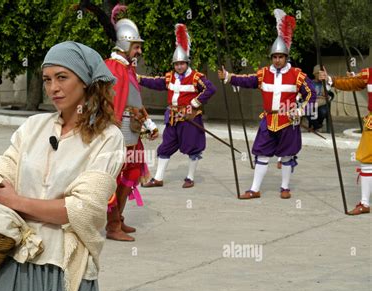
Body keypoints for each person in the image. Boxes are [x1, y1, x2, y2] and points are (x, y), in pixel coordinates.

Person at [0, 41, 125, 291]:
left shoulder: (107, 138)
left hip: (63, 267)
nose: (52, 88)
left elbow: (79, 211)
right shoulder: (33, 128)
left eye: (62, 77)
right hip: (14, 262)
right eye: (47, 80)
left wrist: (15, 201)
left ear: (85, 81)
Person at [218, 9, 316, 199]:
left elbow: (311, 94)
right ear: (271, 57)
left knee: (287, 155)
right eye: (274, 57)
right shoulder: (264, 73)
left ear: (286, 57)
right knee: (261, 154)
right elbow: (248, 80)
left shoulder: (297, 74)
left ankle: (285, 187)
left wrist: (301, 110)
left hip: (288, 120)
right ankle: (255, 189)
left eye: (280, 56)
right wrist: (229, 77)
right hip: (269, 119)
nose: (277, 60)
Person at [104, 7, 159, 242]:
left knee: (133, 172)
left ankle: (119, 217)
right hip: (118, 131)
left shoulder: (127, 68)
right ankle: (112, 224)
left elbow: (134, 100)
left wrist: (148, 122)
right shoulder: (113, 66)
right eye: (136, 46)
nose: (139, 50)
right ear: (125, 44)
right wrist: (111, 130)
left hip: (132, 130)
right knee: (113, 178)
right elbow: (113, 104)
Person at [139, 24, 216, 189]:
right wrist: (139, 79)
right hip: (173, 118)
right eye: (176, 64)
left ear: (187, 63)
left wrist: (195, 103)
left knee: (193, 148)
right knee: (165, 147)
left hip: (190, 119)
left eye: (182, 63)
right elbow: (156, 82)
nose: (179, 66)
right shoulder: (169, 77)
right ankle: (158, 178)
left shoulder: (196, 77)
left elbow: (210, 89)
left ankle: (190, 177)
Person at [319, 66, 372, 215]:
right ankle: (365, 203)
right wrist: (330, 79)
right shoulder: (370, 73)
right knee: (367, 161)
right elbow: (351, 83)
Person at [306, 64, 333, 132]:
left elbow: (327, 94)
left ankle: (317, 125)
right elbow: (308, 94)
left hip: (322, 103)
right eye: (318, 73)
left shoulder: (324, 83)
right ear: (315, 74)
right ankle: (317, 126)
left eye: (321, 73)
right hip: (313, 103)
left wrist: (326, 83)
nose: (320, 75)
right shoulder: (310, 83)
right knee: (307, 110)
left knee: (323, 112)